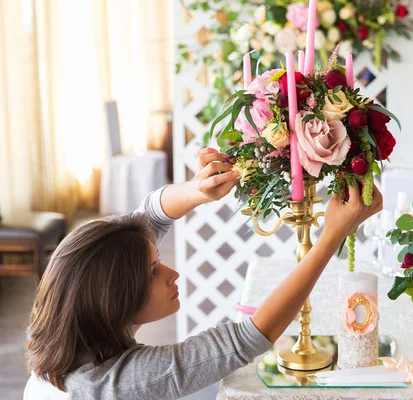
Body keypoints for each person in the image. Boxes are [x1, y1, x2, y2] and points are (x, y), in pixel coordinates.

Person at [24, 147, 383, 399]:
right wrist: (332, 235)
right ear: (113, 298)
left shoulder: (69, 309)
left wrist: (200, 190)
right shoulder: (111, 387)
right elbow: (246, 340)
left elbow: (151, 213)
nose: (172, 274)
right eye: (153, 271)